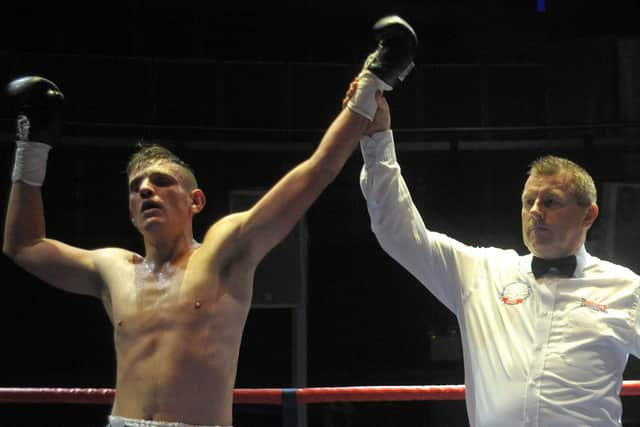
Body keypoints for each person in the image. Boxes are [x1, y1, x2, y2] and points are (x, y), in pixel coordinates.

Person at [2, 16, 417, 427]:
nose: (146, 189)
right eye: (136, 187)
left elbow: (317, 171)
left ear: (195, 201)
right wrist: (32, 148)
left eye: (161, 182)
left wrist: (371, 84)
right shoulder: (112, 269)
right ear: (130, 211)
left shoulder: (223, 251)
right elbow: (24, 246)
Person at [346, 72, 640, 425]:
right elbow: (398, 232)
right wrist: (377, 139)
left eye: (550, 201)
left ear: (588, 215)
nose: (535, 211)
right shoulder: (481, 271)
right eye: (528, 201)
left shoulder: (624, 289)